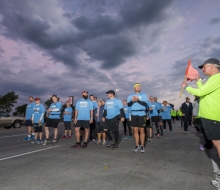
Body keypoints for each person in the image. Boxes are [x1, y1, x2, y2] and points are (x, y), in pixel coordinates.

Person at [181, 58, 220, 188]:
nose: (202, 69)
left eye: (204, 67)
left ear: (213, 67)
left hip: (213, 117)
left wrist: (187, 87)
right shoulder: (213, 79)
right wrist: (197, 81)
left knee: (219, 146)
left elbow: (201, 93)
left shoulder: (216, 77)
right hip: (212, 117)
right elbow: (204, 92)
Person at [127, 83, 151, 153]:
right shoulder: (130, 96)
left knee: (142, 130)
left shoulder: (143, 95)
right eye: (136, 86)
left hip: (142, 113)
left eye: (139, 86)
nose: (138, 87)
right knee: (135, 129)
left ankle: (142, 145)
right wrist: (132, 100)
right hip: (134, 113)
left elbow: (145, 104)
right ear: (134, 88)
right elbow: (128, 104)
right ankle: (137, 145)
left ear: (140, 88)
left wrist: (137, 100)